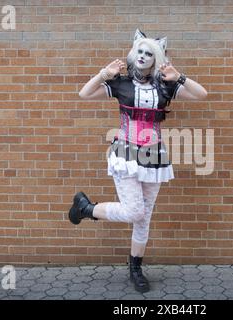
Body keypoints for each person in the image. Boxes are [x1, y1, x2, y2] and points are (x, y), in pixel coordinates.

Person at [69, 29, 207, 293]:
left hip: (155, 157)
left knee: (144, 218)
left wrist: (180, 77)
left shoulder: (166, 85)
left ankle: (136, 269)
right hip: (126, 154)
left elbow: (201, 94)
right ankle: (87, 209)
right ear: (134, 54)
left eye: (149, 54)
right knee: (135, 211)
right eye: (140, 52)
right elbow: (84, 94)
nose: (143, 56)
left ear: (156, 59)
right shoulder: (121, 83)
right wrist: (103, 74)